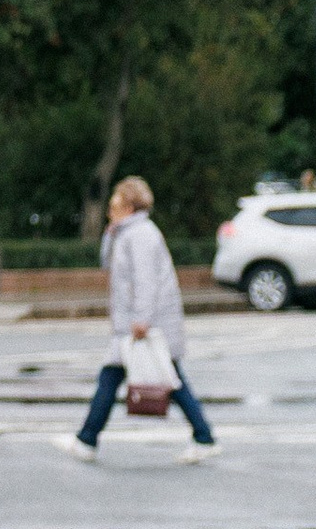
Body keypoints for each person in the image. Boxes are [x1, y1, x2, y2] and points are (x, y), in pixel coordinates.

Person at [61, 175, 218, 459]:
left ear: (129, 205)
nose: (110, 207)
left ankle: (87, 441)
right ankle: (203, 437)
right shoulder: (126, 233)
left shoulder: (141, 234)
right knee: (165, 379)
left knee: (127, 379)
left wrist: (142, 319)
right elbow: (108, 265)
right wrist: (110, 234)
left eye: (116, 201)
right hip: (133, 325)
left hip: (146, 325)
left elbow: (146, 280)